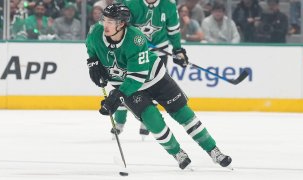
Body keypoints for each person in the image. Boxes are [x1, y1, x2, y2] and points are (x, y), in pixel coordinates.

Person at [85, 3, 232, 170]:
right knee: (152, 120)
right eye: (105, 20)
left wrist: (118, 95)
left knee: (183, 113)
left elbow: (137, 77)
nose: (105, 24)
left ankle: (213, 150)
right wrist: (93, 62)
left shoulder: (136, 39)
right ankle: (177, 153)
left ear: (122, 24)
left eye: (111, 21)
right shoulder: (95, 32)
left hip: (154, 78)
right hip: (126, 84)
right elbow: (91, 47)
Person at [111, 0, 189, 138]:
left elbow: (173, 30)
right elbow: (124, 27)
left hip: (158, 53)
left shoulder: (169, 5)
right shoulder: (132, 4)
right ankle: (119, 122)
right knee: (125, 86)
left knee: (154, 88)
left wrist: (178, 50)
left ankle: (147, 122)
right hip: (134, 52)